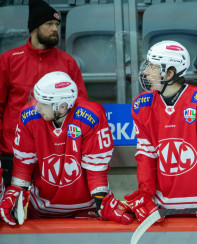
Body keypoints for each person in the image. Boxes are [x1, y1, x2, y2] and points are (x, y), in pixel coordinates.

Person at [0, 71, 132, 225]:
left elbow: (96, 170)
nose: (37, 108)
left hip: (87, 208)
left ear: (62, 106)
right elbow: (23, 163)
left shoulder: (90, 116)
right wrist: (16, 191)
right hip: (42, 209)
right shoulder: (29, 116)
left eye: (43, 103)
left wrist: (101, 202)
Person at [126, 40, 197, 223]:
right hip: (163, 207)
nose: (145, 72)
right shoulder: (141, 105)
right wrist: (146, 194)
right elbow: (146, 154)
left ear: (169, 73)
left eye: (153, 67)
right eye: (148, 65)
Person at [0, 0, 87, 188]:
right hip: (13, 151)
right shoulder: (8, 60)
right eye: (49, 24)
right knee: (13, 210)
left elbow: (80, 107)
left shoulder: (67, 62)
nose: (55, 28)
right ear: (34, 28)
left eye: (57, 24)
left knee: (49, 213)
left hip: (56, 152)